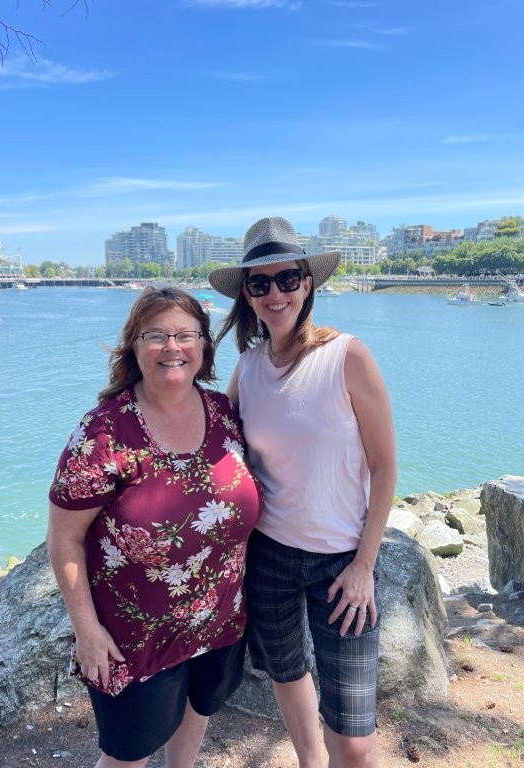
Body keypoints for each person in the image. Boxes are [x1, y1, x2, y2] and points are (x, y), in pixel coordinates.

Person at [47, 286, 263, 768]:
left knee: (196, 712)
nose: (172, 347)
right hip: (133, 638)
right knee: (128, 755)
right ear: (134, 346)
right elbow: (64, 537)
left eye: (186, 335)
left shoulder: (223, 414)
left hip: (219, 619)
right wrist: (86, 630)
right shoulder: (102, 432)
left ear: (204, 346)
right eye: (157, 336)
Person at [209, 217, 397, 768]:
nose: (274, 294)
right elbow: (217, 448)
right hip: (267, 555)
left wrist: (364, 565)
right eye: (260, 283)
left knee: (356, 742)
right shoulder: (247, 367)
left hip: (341, 561)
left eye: (287, 278)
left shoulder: (348, 356)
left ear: (308, 284)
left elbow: (385, 469)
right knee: (287, 674)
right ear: (247, 294)